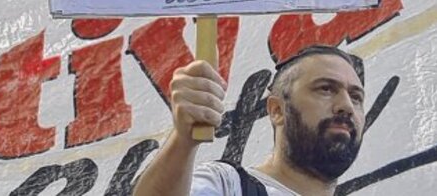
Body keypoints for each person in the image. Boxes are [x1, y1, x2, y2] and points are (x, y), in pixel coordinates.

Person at [133, 45, 366, 195]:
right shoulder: (226, 186)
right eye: (325, 89)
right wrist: (183, 140)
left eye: (356, 97)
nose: (346, 106)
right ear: (276, 110)